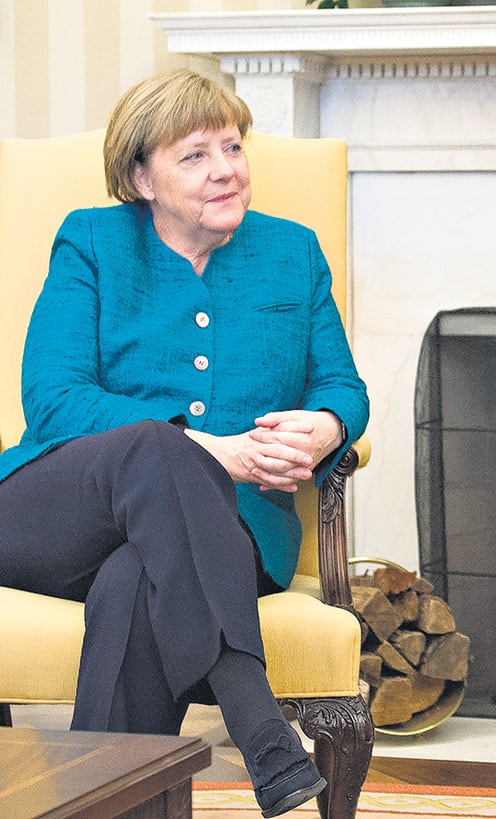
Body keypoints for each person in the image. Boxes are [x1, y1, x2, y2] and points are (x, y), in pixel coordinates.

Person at [0, 69, 369, 818]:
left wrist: (326, 425)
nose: (226, 168)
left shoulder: (292, 253)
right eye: (194, 154)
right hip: (52, 513)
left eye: (232, 146)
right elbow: (55, 398)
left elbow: (343, 388)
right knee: (155, 445)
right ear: (141, 176)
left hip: (227, 535)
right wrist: (209, 449)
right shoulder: (92, 241)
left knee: (136, 580)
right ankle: (258, 718)